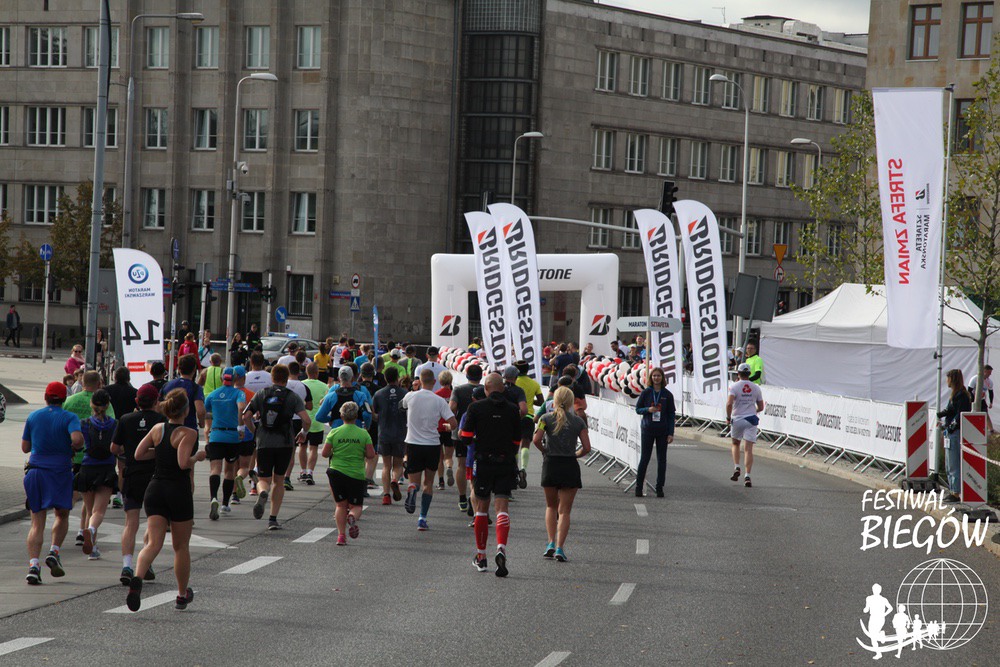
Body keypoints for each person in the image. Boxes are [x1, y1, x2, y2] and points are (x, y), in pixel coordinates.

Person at [126, 388, 206, 612]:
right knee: (181, 547)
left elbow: (138, 454)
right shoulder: (188, 433)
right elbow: (183, 463)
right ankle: (181, 594)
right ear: (186, 410)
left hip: (155, 489)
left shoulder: (157, 429)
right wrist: (197, 457)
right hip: (177, 490)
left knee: (153, 543)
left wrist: (161, 452)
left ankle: (137, 578)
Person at [21, 381, 84, 585]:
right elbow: (77, 439)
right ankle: (54, 552)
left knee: (37, 522)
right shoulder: (69, 417)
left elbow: (25, 447)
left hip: (36, 471)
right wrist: (72, 445)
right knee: (61, 514)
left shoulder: (33, 416)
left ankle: (33, 566)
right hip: (59, 472)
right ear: (64, 399)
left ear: (45, 397)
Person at [460, 373, 521, 575]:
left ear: (486, 388)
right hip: (505, 461)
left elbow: (466, 437)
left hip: (483, 461)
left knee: (481, 509)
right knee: (502, 508)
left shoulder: (475, 408)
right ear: (502, 388)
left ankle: (481, 556)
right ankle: (501, 547)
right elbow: (517, 441)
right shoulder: (513, 409)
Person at [242, 364, 311, 529]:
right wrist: (303, 432)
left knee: (263, 479)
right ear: (286, 379)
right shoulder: (292, 396)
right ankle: (272, 519)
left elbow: (246, 416)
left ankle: (262, 491)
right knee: (279, 480)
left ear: (272, 378)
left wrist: (255, 431)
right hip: (285, 443)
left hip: (264, 442)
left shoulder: (262, 394)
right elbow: (307, 420)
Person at [111, 383, 165, 585]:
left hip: (132, 475)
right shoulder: (161, 421)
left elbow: (114, 448)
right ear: (156, 401)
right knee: (153, 521)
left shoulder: (125, 419)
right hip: (154, 477)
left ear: (136, 401)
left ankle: (127, 565)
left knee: (130, 522)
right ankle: (146, 559)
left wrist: (127, 448)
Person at [534, 386, 591, 562]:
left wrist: (545, 451)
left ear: (555, 401)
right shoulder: (578, 421)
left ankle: (550, 542)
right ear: (571, 402)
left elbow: (536, 439)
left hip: (551, 463)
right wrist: (576, 454)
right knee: (565, 511)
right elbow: (587, 447)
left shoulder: (545, 418)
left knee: (551, 507)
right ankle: (560, 547)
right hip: (569, 465)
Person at [400, 368, 457, 530]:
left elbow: (401, 406)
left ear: (420, 381)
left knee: (415, 481)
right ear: (434, 382)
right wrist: (447, 427)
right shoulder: (439, 401)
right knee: (429, 483)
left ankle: (412, 488)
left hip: (413, 444)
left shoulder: (410, 396)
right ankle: (422, 518)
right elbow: (453, 423)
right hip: (432, 445)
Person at [63, 371, 116, 546]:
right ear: (99, 383)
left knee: (77, 496)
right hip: (103, 463)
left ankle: (70, 524)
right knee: (94, 507)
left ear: (81, 381)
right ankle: (86, 533)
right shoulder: (108, 410)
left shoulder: (70, 401)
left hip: (78, 457)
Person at [74, 389, 119, 561]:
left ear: (91, 404)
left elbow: (78, 445)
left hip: (87, 467)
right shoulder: (114, 424)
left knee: (89, 510)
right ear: (108, 405)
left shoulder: (84, 423)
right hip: (106, 468)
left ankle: (92, 546)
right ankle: (92, 533)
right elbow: (118, 447)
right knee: (98, 512)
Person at [323, 402, 376, 545]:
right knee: (356, 506)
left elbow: (325, 453)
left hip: (336, 471)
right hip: (356, 474)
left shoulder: (334, 432)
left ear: (341, 416)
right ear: (356, 416)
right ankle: (352, 516)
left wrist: (335, 450)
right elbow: (371, 455)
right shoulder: (363, 433)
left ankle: (341, 536)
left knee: (340, 505)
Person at [204, 367, 245, 520]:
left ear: (222, 378)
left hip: (216, 435)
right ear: (235, 379)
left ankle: (213, 497)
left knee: (215, 469)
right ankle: (225, 504)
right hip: (232, 436)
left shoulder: (213, 394)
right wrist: (240, 426)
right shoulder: (238, 393)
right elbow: (241, 408)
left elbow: (206, 410)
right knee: (229, 470)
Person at [633, 367, 676, 498]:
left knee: (662, 460)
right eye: (654, 376)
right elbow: (638, 409)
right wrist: (648, 409)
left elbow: (671, 415)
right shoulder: (646, 392)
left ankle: (659, 487)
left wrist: (671, 433)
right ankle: (639, 487)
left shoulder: (667, 395)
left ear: (662, 378)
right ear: (651, 378)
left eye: (658, 376)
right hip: (648, 429)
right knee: (645, 459)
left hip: (662, 431)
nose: (656, 378)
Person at [372, 366, 408, 505]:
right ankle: (395, 479)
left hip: (384, 433)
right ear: (397, 378)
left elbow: (374, 414)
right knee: (398, 464)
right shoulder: (405, 393)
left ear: (385, 378)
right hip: (400, 433)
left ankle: (386, 495)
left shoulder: (379, 394)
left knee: (386, 465)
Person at [449, 363, 482, 515]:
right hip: (481, 433)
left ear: (467, 375)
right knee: (479, 466)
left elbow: (452, 408)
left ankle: (462, 497)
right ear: (481, 376)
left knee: (462, 465)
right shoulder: (485, 390)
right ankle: (476, 494)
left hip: (461, 432)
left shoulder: (458, 390)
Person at [726, 363, 764, 488]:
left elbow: (729, 404)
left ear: (738, 373)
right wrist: (753, 410)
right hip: (751, 419)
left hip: (737, 418)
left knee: (735, 443)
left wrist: (728, 417)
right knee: (748, 449)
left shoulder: (734, 386)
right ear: (749, 374)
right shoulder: (756, 387)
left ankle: (737, 466)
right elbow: (761, 406)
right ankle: (747, 475)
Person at [105, 366, 137, 510]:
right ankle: (119, 495)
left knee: (108, 464)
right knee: (122, 466)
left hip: (108, 429)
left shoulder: (106, 390)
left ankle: (105, 493)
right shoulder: (134, 392)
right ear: (128, 378)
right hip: (126, 431)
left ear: (115, 377)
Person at [937, 368, 972, 499]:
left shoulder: (961, 395)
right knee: (949, 464)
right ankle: (953, 490)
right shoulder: (955, 394)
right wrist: (940, 415)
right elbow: (950, 410)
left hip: (955, 433)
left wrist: (951, 427)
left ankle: (956, 492)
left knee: (953, 464)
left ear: (953, 379)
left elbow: (959, 415)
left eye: (948, 378)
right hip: (951, 432)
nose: (946, 381)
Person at [513, 360, 544, 489]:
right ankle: (523, 468)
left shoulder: (513, 383)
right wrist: (529, 401)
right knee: (525, 443)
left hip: (514, 416)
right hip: (529, 416)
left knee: (514, 445)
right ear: (527, 370)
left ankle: (514, 470)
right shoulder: (534, 383)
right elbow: (541, 402)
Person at [299, 362, 329, 486]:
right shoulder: (324, 386)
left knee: (302, 446)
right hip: (317, 421)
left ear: (307, 372)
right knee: (314, 448)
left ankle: (303, 471)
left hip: (303, 419)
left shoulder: (301, 384)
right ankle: (310, 472)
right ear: (317, 373)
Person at [435, 370, 455, 490]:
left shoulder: (436, 395)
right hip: (449, 427)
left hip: (438, 428)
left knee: (439, 458)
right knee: (448, 457)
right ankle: (449, 467)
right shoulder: (454, 394)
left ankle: (441, 482)